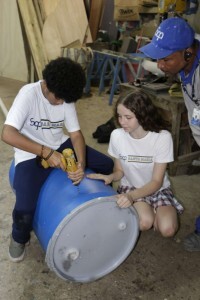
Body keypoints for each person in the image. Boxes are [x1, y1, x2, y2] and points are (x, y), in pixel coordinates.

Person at [1, 57, 114, 262]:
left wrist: (81, 164)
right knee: (25, 207)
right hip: (31, 152)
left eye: (65, 100)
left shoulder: (64, 95)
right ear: (47, 86)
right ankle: (18, 238)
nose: (62, 103)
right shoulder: (28, 94)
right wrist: (46, 152)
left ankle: (102, 205)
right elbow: (7, 134)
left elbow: (76, 135)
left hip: (59, 144)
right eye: (58, 99)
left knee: (107, 165)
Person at [139, 16, 200, 251]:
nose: (161, 65)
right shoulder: (186, 56)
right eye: (158, 58)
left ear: (187, 53)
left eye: (166, 59)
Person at [87, 91, 184, 237]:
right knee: (144, 223)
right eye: (119, 116)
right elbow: (119, 170)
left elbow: (157, 181)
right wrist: (110, 177)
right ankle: (149, 210)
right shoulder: (117, 136)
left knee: (167, 230)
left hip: (158, 189)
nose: (122, 122)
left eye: (128, 117)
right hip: (131, 186)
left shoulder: (162, 137)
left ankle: (156, 208)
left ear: (143, 115)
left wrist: (131, 197)